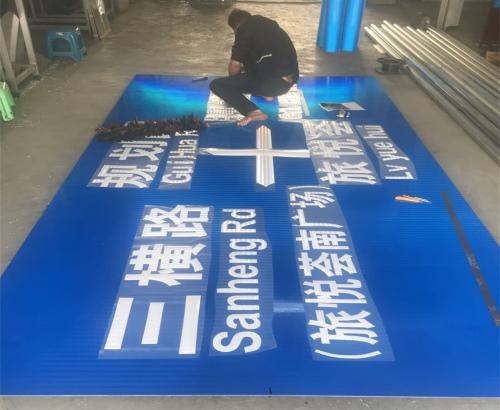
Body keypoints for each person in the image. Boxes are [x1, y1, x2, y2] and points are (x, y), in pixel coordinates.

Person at [210, 9, 299, 126]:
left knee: (217, 85)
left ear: (236, 27)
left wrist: (234, 83)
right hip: (289, 80)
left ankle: (254, 112)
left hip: (273, 83)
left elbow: (235, 65)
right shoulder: (269, 25)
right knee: (254, 59)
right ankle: (267, 94)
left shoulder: (244, 30)